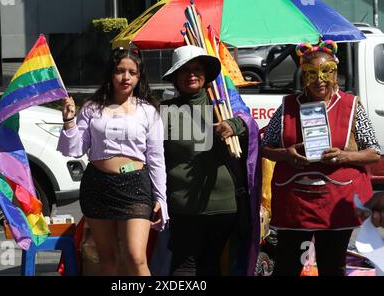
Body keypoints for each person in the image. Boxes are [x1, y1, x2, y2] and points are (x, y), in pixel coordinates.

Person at [261, 40, 381, 276]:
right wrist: (287, 154)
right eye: (311, 73)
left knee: (332, 266)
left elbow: (374, 152)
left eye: (327, 72)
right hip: (295, 203)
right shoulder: (287, 106)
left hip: (336, 201)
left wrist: (344, 156)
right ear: (303, 75)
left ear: (335, 74)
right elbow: (265, 147)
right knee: (286, 265)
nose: (319, 79)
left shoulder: (351, 106)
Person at [57, 48, 168, 276]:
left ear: (139, 77)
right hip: (98, 186)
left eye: (132, 72)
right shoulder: (91, 108)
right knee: (107, 261)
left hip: (136, 187)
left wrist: (161, 198)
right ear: (111, 74)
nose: (125, 77)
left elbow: (156, 158)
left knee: (136, 257)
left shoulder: (148, 111)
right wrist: (69, 120)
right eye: (120, 71)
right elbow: (75, 149)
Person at [160, 45, 261, 276]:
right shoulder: (164, 111)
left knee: (211, 265)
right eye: (184, 70)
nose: (191, 75)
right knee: (184, 266)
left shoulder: (224, 107)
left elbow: (250, 127)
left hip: (223, 207)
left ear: (206, 75)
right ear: (175, 78)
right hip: (183, 206)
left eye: (197, 69)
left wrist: (235, 125)